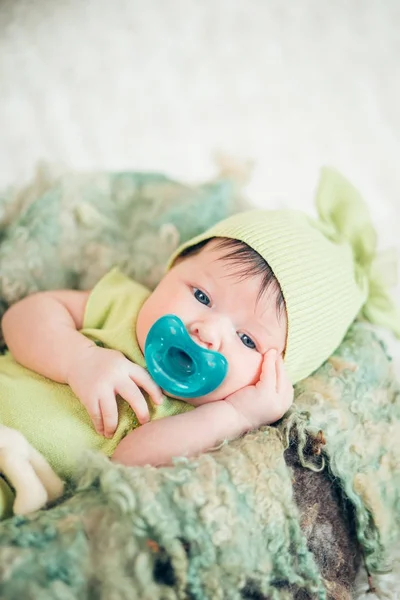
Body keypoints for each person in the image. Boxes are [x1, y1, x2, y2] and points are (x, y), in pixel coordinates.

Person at [1, 168, 398, 487]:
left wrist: (237, 416)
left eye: (247, 339)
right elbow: (20, 319)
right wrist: (79, 360)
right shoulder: (124, 303)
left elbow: (126, 463)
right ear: (171, 269)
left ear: (271, 378)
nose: (207, 331)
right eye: (202, 296)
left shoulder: (198, 419)